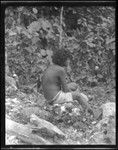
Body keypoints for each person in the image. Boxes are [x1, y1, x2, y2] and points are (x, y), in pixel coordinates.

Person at [41, 48, 94, 115]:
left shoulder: (52, 67)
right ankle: (91, 112)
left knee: (73, 85)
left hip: (50, 97)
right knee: (78, 96)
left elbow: (61, 86)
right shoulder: (61, 70)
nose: (69, 62)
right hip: (55, 98)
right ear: (63, 60)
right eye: (67, 60)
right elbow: (65, 90)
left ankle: (84, 99)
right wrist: (74, 93)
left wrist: (72, 89)